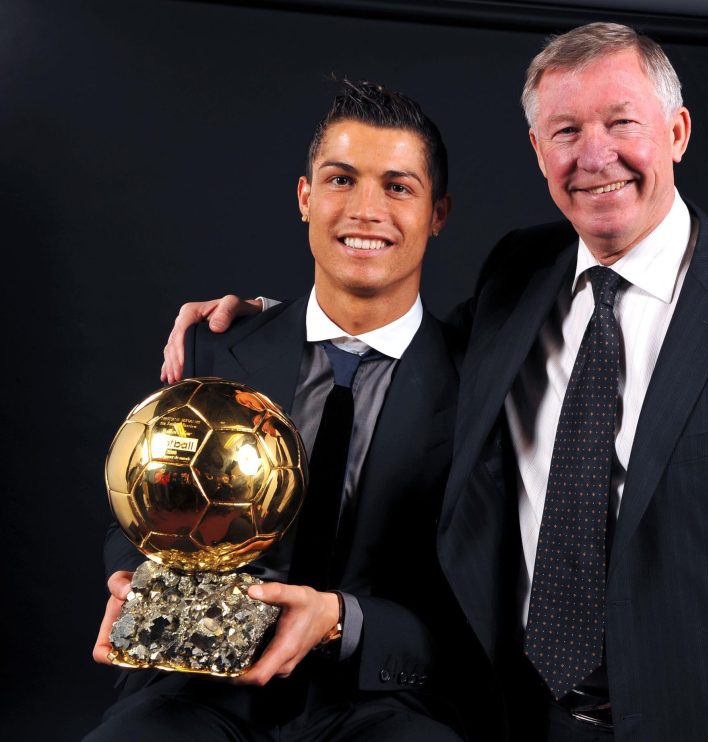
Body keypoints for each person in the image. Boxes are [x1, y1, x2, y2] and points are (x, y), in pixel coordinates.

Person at [161, 23, 708, 741]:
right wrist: (266, 326)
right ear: (539, 151)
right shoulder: (518, 275)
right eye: (565, 130)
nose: (594, 154)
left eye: (621, 122)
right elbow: (408, 346)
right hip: (503, 714)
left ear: (676, 131)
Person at [88, 81, 489, 741]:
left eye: (397, 186)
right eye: (340, 179)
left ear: (437, 212)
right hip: (202, 687)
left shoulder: (481, 380)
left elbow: (482, 603)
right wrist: (130, 579)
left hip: (382, 699)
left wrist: (341, 619)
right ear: (305, 197)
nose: (364, 210)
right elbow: (140, 515)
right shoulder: (214, 345)